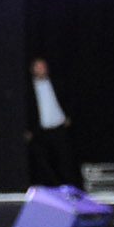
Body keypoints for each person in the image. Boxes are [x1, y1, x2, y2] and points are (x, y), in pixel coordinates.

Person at [24, 56, 78, 187]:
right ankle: (51, 189)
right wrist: (28, 129)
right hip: (40, 131)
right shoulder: (28, 89)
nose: (41, 69)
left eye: (43, 66)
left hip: (58, 127)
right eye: (38, 67)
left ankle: (69, 188)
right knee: (44, 164)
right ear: (32, 70)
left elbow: (70, 98)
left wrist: (68, 116)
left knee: (64, 161)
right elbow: (26, 110)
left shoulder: (56, 83)